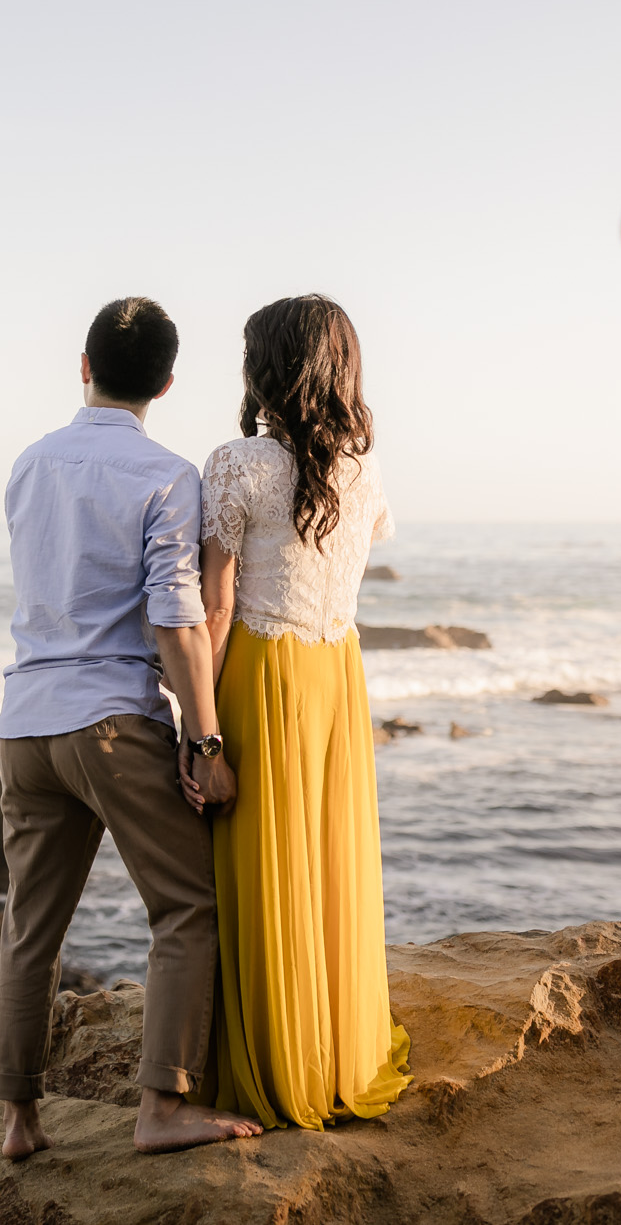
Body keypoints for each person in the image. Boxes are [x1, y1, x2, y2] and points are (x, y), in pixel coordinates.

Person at [0, 297, 263, 1158]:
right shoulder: (167, 475)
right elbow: (178, 617)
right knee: (187, 905)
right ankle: (162, 1105)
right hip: (109, 722)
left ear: (83, 365)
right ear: (169, 382)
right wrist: (205, 740)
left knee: (31, 925)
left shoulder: (29, 465)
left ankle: (19, 1120)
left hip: (25, 723)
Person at [183, 293, 412, 1130]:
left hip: (263, 675)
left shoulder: (238, 464)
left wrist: (196, 729)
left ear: (265, 368)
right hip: (335, 676)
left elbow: (213, 607)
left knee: (262, 868)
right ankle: (339, 1051)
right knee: (329, 862)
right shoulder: (365, 467)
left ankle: (276, 1063)